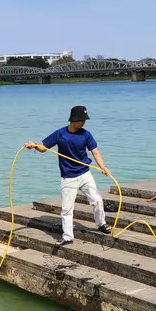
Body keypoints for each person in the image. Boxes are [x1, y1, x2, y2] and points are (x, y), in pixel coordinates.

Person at [25, 105, 111, 246]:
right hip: (68, 177)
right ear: (74, 119)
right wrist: (34, 146)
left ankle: (101, 224)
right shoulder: (60, 134)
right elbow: (43, 147)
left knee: (97, 200)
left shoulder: (86, 134)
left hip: (85, 174)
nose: (84, 122)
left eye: (85, 119)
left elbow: (95, 152)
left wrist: (103, 167)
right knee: (67, 209)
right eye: (82, 119)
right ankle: (67, 236)